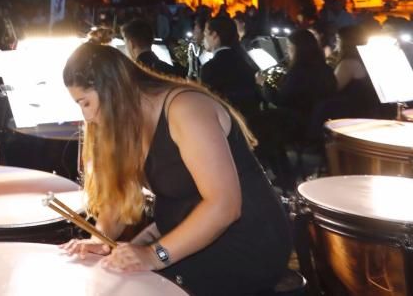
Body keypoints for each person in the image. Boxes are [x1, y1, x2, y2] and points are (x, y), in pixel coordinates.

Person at [60, 43, 290, 294]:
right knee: (113, 274)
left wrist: (153, 255)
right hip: (187, 233)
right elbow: (117, 201)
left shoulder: (185, 109)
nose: (87, 116)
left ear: (112, 90)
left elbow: (225, 207)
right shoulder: (127, 123)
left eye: (85, 103)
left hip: (246, 241)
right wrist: (100, 239)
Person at [199, 16, 260, 122]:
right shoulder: (246, 61)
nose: (204, 39)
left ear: (214, 35)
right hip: (249, 122)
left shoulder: (211, 67)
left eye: (205, 34)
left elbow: (208, 105)